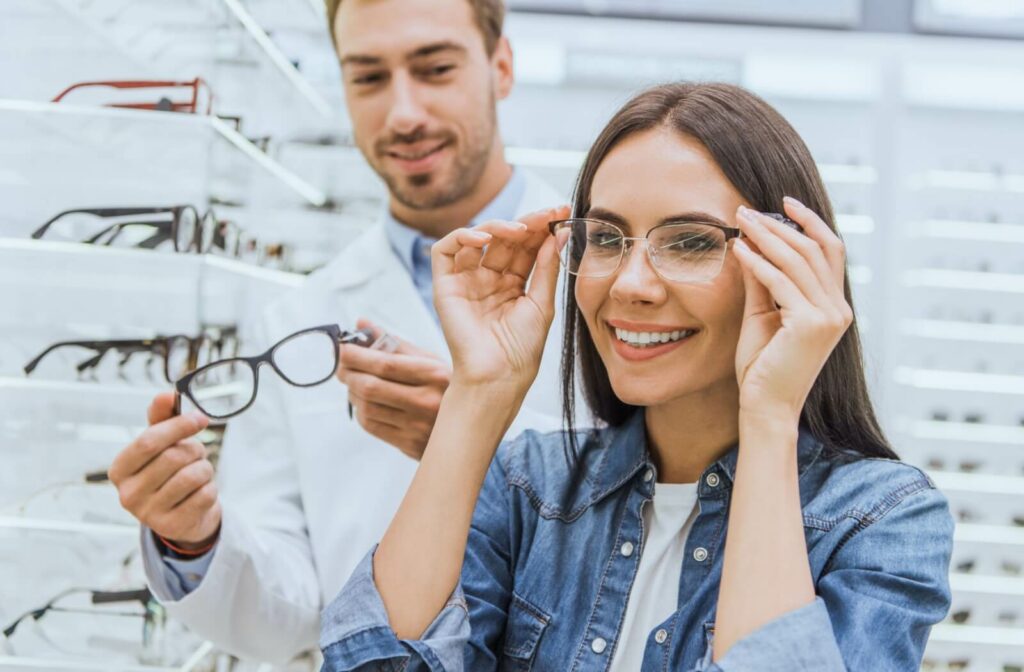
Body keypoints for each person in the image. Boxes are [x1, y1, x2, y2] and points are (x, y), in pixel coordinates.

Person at [317, 82, 955, 671]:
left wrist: (770, 416)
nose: (630, 285)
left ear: (784, 265)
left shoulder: (882, 521)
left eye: (690, 241)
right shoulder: (524, 489)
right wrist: (478, 391)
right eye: (607, 237)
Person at [106, 0, 572, 664]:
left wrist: (481, 439)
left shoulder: (609, 283)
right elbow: (295, 611)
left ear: (501, 67)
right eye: (368, 77)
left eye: (435, 68)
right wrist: (196, 539)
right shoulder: (299, 317)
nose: (403, 113)